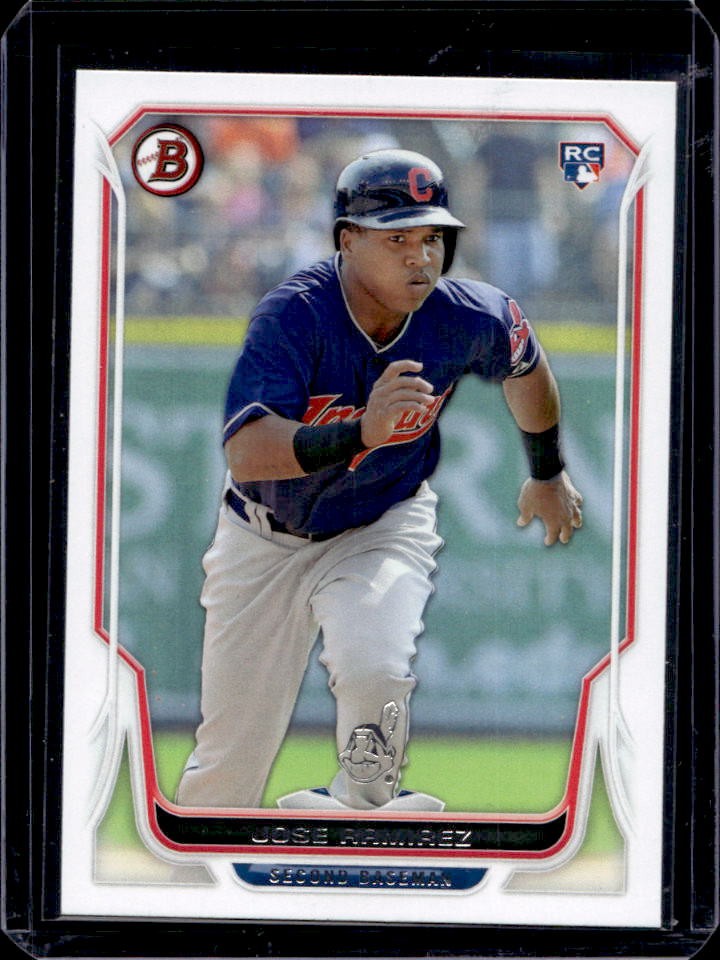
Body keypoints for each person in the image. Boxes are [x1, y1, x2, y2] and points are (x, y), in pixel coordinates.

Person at [175, 148, 583, 813]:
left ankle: (362, 817)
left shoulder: (468, 313)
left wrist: (546, 472)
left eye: (431, 238)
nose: (420, 257)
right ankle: (196, 872)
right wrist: (362, 431)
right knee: (229, 762)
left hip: (381, 525)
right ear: (347, 240)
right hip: (262, 539)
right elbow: (247, 453)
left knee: (376, 667)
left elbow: (526, 366)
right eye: (397, 239)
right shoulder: (295, 315)